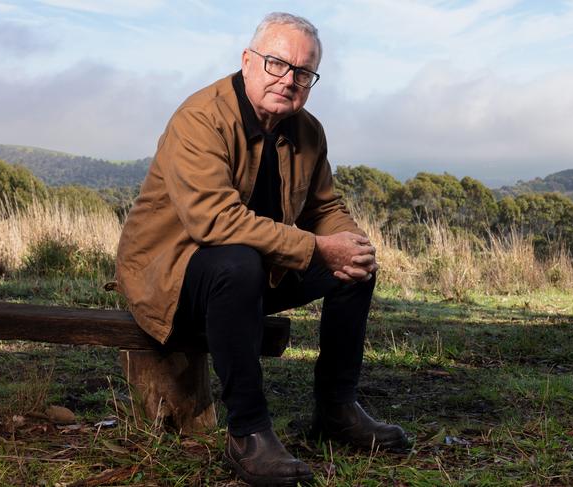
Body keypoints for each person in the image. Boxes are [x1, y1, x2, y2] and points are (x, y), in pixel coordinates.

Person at [115, 12, 411, 486]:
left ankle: (336, 410)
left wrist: (350, 244)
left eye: (303, 72)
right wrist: (317, 248)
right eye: (277, 64)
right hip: (173, 274)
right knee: (238, 263)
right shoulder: (200, 119)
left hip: (258, 269)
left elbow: (325, 206)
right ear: (248, 61)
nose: (288, 80)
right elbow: (215, 221)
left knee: (354, 269)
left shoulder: (308, 131)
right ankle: (248, 434)